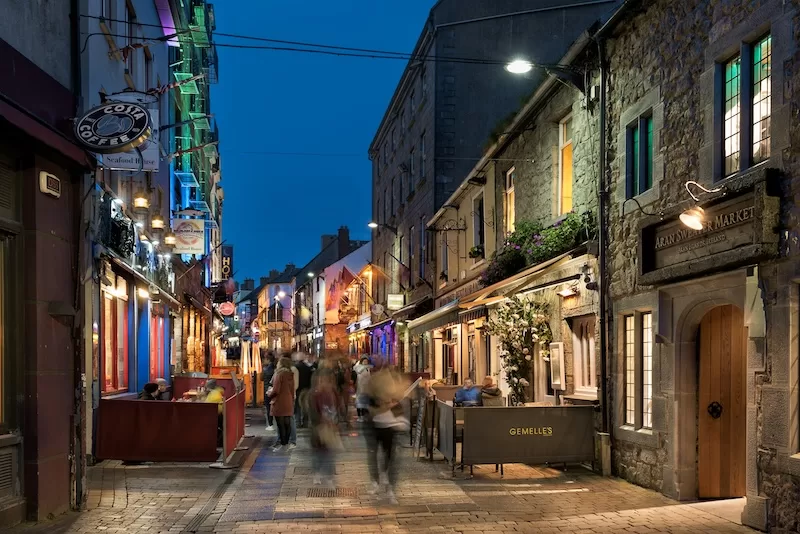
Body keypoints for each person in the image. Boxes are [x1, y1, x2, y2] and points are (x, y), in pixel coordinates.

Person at [364, 367, 410, 504]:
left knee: (390, 457)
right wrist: (385, 405)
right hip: (375, 426)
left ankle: (389, 486)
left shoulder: (397, 393)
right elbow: (369, 408)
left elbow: (401, 408)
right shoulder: (373, 393)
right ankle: (376, 482)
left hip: (390, 427)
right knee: (373, 455)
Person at [309, 371, 340, 489]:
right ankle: (317, 472)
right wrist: (320, 422)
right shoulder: (313, 395)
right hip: (318, 427)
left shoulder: (331, 392)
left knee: (329, 453)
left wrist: (334, 421)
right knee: (318, 452)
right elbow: (312, 412)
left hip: (330, 426)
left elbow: (336, 405)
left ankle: (330, 477)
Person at [268, 357, 296, 452]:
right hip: (288, 401)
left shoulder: (278, 374)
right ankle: (286, 444)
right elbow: (292, 390)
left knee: (280, 425)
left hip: (279, 401)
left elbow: (276, 390)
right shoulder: (290, 374)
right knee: (287, 423)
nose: (277, 364)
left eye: (278, 362)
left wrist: (269, 394)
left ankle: (283, 444)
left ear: (281, 364)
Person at [294, 353, 316, 428]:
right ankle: (305, 422)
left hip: (297, 389)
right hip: (306, 389)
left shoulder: (295, 367)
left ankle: (298, 422)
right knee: (305, 406)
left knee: (297, 406)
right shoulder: (308, 368)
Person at [204, 379, 226, 447]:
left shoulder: (214, 394)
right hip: (219, 415)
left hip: (215, 416)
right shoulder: (216, 392)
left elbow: (207, 405)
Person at [353, 357, 372, 422]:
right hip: (360, 387)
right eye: (364, 361)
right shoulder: (359, 367)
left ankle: (364, 416)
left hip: (367, 388)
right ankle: (359, 416)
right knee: (359, 403)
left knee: (365, 403)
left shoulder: (368, 369)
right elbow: (356, 369)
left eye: (366, 361)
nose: (365, 362)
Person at [262, 353, 276, 430]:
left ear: (268, 360)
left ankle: (270, 424)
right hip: (275, 389)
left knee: (268, 408)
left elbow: (261, 378)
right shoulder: (275, 368)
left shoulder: (265, 369)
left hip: (267, 390)